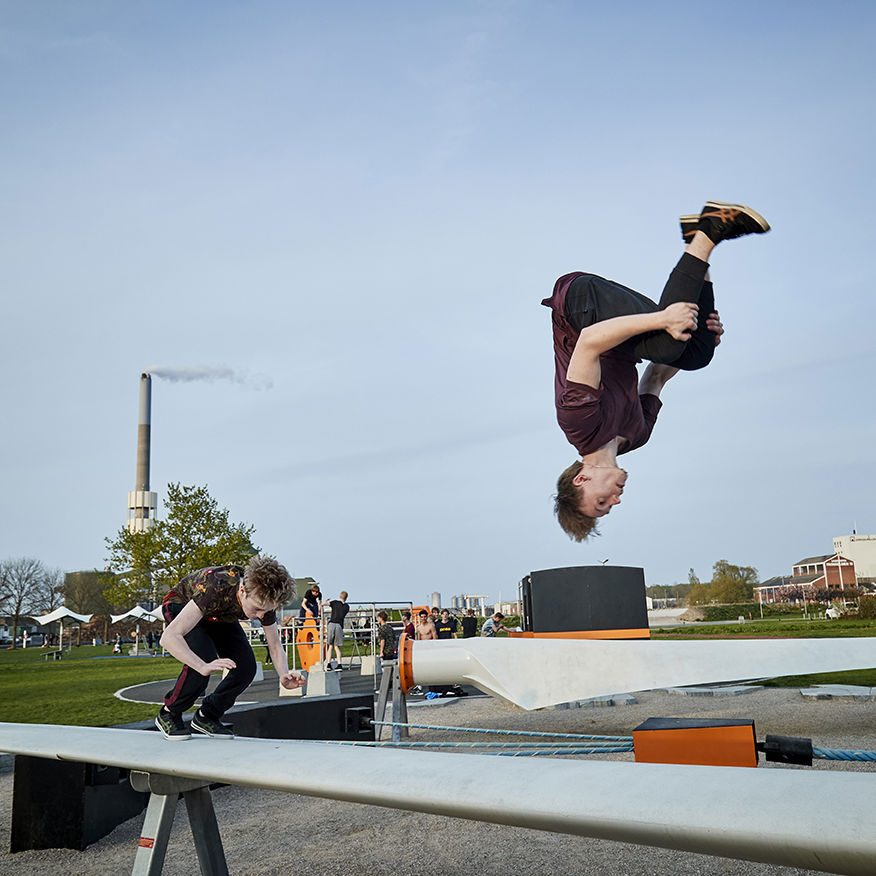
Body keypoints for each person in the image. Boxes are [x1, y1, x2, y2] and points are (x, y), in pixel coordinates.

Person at [544, 201, 769, 541]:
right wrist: (701, 337)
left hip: (578, 305)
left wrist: (664, 320)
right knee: (694, 355)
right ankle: (697, 244)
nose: (616, 499)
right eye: (611, 505)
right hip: (618, 335)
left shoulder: (579, 423)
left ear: (582, 479)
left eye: (602, 501)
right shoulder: (638, 434)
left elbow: (589, 342)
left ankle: (711, 227)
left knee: (669, 340)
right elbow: (657, 375)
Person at [155, 556, 305, 741]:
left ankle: (207, 715)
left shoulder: (265, 598)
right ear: (242, 590)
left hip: (219, 615)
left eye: (265, 611)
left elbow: (274, 644)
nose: (260, 616)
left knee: (246, 667)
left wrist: (284, 674)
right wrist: (201, 666)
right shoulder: (215, 586)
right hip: (183, 604)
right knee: (203, 658)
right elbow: (169, 638)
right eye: (257, 609)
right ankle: (169, 712)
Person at [326, 590, 349, 671]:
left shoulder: (335, 602)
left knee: (330, 646)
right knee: (336, 647)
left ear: (340, 596)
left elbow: (326, 604)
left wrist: (325, 601)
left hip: (331, 624)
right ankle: (339, 665)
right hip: (339, 625)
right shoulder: (346, 607)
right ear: (346, 598)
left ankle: (328, 664)